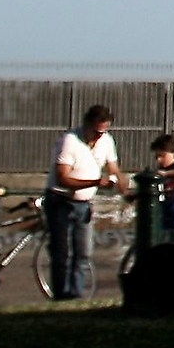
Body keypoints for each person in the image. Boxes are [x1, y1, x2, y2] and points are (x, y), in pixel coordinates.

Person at [43, 103, 125, 300]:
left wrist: (121, 180)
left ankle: (76, 292)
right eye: (97, 131)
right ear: (87, 124)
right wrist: (96, 182)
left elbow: (113, 166)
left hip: (84, 203)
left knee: (83, 252)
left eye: (104, 131)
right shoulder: (69, 141)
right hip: (61, 200)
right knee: (62, 252)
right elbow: (63, 178)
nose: (99, 136)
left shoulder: (105, 141)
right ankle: (62, 294)